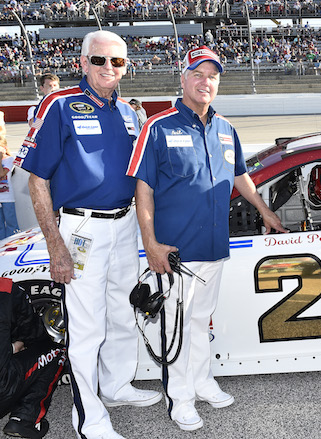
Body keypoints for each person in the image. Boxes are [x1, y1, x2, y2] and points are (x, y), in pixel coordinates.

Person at [127, 46, 286, 431]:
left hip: (214, 246)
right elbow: (143, 189)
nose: (205, 82)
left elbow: (239, 175)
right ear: (183, 78)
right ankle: (179, 398)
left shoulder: (226, 128)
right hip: (175, 250)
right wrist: (150, 243)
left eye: (212, 76)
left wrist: (264, 209)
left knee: (199, 321)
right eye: (197, 74)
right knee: (177, 326)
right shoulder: (157, 127)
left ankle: (201, 381)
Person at [14, 30, 162, 439]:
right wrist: (55, 245)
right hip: (81, 229)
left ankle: (116, 385)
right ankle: (90, 421)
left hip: (124, 224)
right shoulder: (59, 104)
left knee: (121, 312)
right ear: (82, 62)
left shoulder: (129, 113)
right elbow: (36, 181)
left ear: (126, 67)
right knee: (86, 327)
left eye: (117, 61)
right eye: (99, 60)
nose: (108, 68)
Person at [1, 277, 66, 439]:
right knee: (54, 350)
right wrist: (16, 347)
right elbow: (33, 333)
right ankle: (24, 419)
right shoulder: (5, 288)